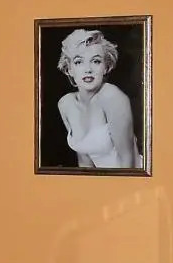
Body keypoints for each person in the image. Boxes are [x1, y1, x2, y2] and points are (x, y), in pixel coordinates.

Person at [56, 29, 141, 169]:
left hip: (129, 177)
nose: (88, 69)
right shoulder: (66, 104)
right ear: (69, 69)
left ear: (106, 67)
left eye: (96, 61)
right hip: (101, 180)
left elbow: (128, 162)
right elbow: (85, 162)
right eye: (79, 62)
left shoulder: (112, 96)